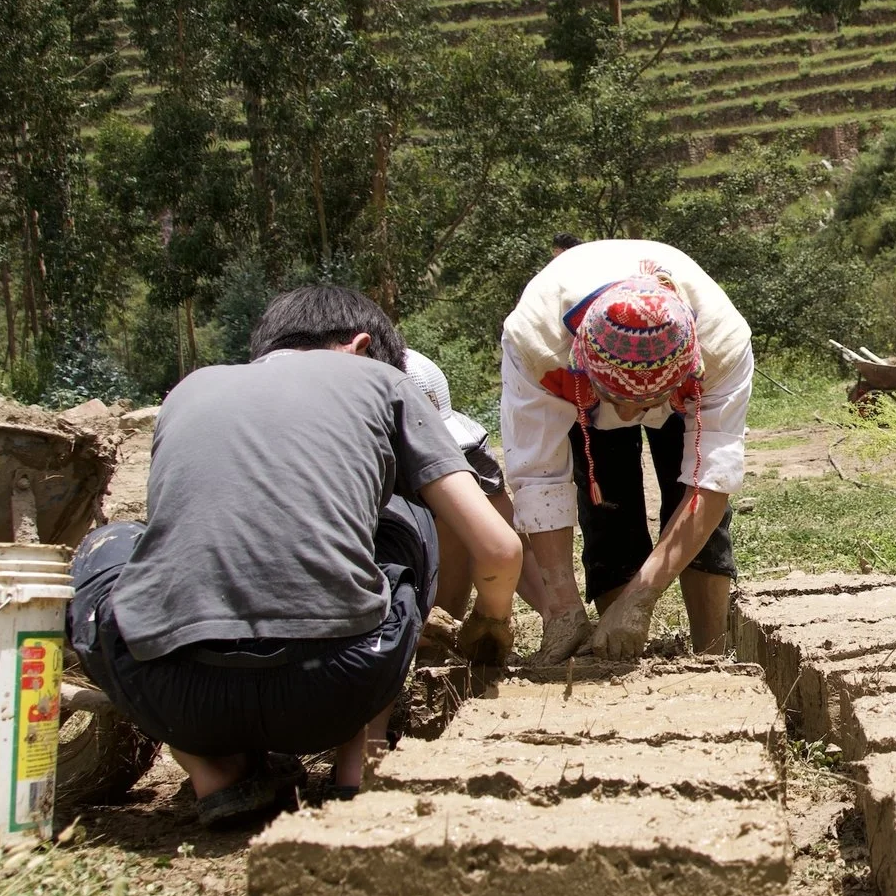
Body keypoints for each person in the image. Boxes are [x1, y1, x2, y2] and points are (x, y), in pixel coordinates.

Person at [70, 287, 523, 828]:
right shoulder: (380, 380)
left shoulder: (190, 388)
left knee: (113, 544)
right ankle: (362, 759)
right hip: (333, 686)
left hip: (176, 698)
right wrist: (491, 620)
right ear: (360, 347)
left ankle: (214, 772)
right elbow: (498, 547)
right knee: (412, 515)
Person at [499, 239, 753, 662]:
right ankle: (614, 652)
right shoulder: (536, 344)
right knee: (608, 505)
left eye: (646, 402)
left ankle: (712, 651)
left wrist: (644, 594)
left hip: (681, 395)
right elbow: (538, 476)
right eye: (618, 397)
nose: (630, 411)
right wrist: (560, 605)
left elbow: (711, 481)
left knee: (691, 496)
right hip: (580, 396)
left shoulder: (721, 347)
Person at [402, 348, 518, 621]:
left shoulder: (471, 452)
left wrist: (554, 612)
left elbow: (506, 540)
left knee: (456, 512)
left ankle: (437, 635)